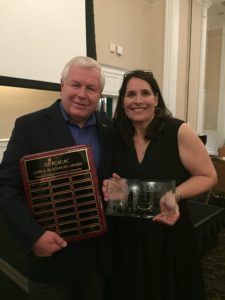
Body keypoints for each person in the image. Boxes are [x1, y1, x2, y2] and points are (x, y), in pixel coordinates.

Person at [0, 56, 113, 300]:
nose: (82, 94)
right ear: (61, 85)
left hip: (97, 259)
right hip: (51, 257)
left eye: (91, 88)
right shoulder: (29, 126)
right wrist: (33, 237)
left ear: (100, 93)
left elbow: (118, 175)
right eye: (75, 85)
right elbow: (5, 187)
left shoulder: (110, 128)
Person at [102, 70, 217, 300]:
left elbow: (208, 176)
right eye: (130, 94)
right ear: (122, 100)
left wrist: (174, 195)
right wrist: (113, 188)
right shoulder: (115, 135)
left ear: (156, 98)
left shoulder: (178, 131)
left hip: (168, 235)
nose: (137, 100)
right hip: (126, 237)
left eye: (145, 93)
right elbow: (117, 183)